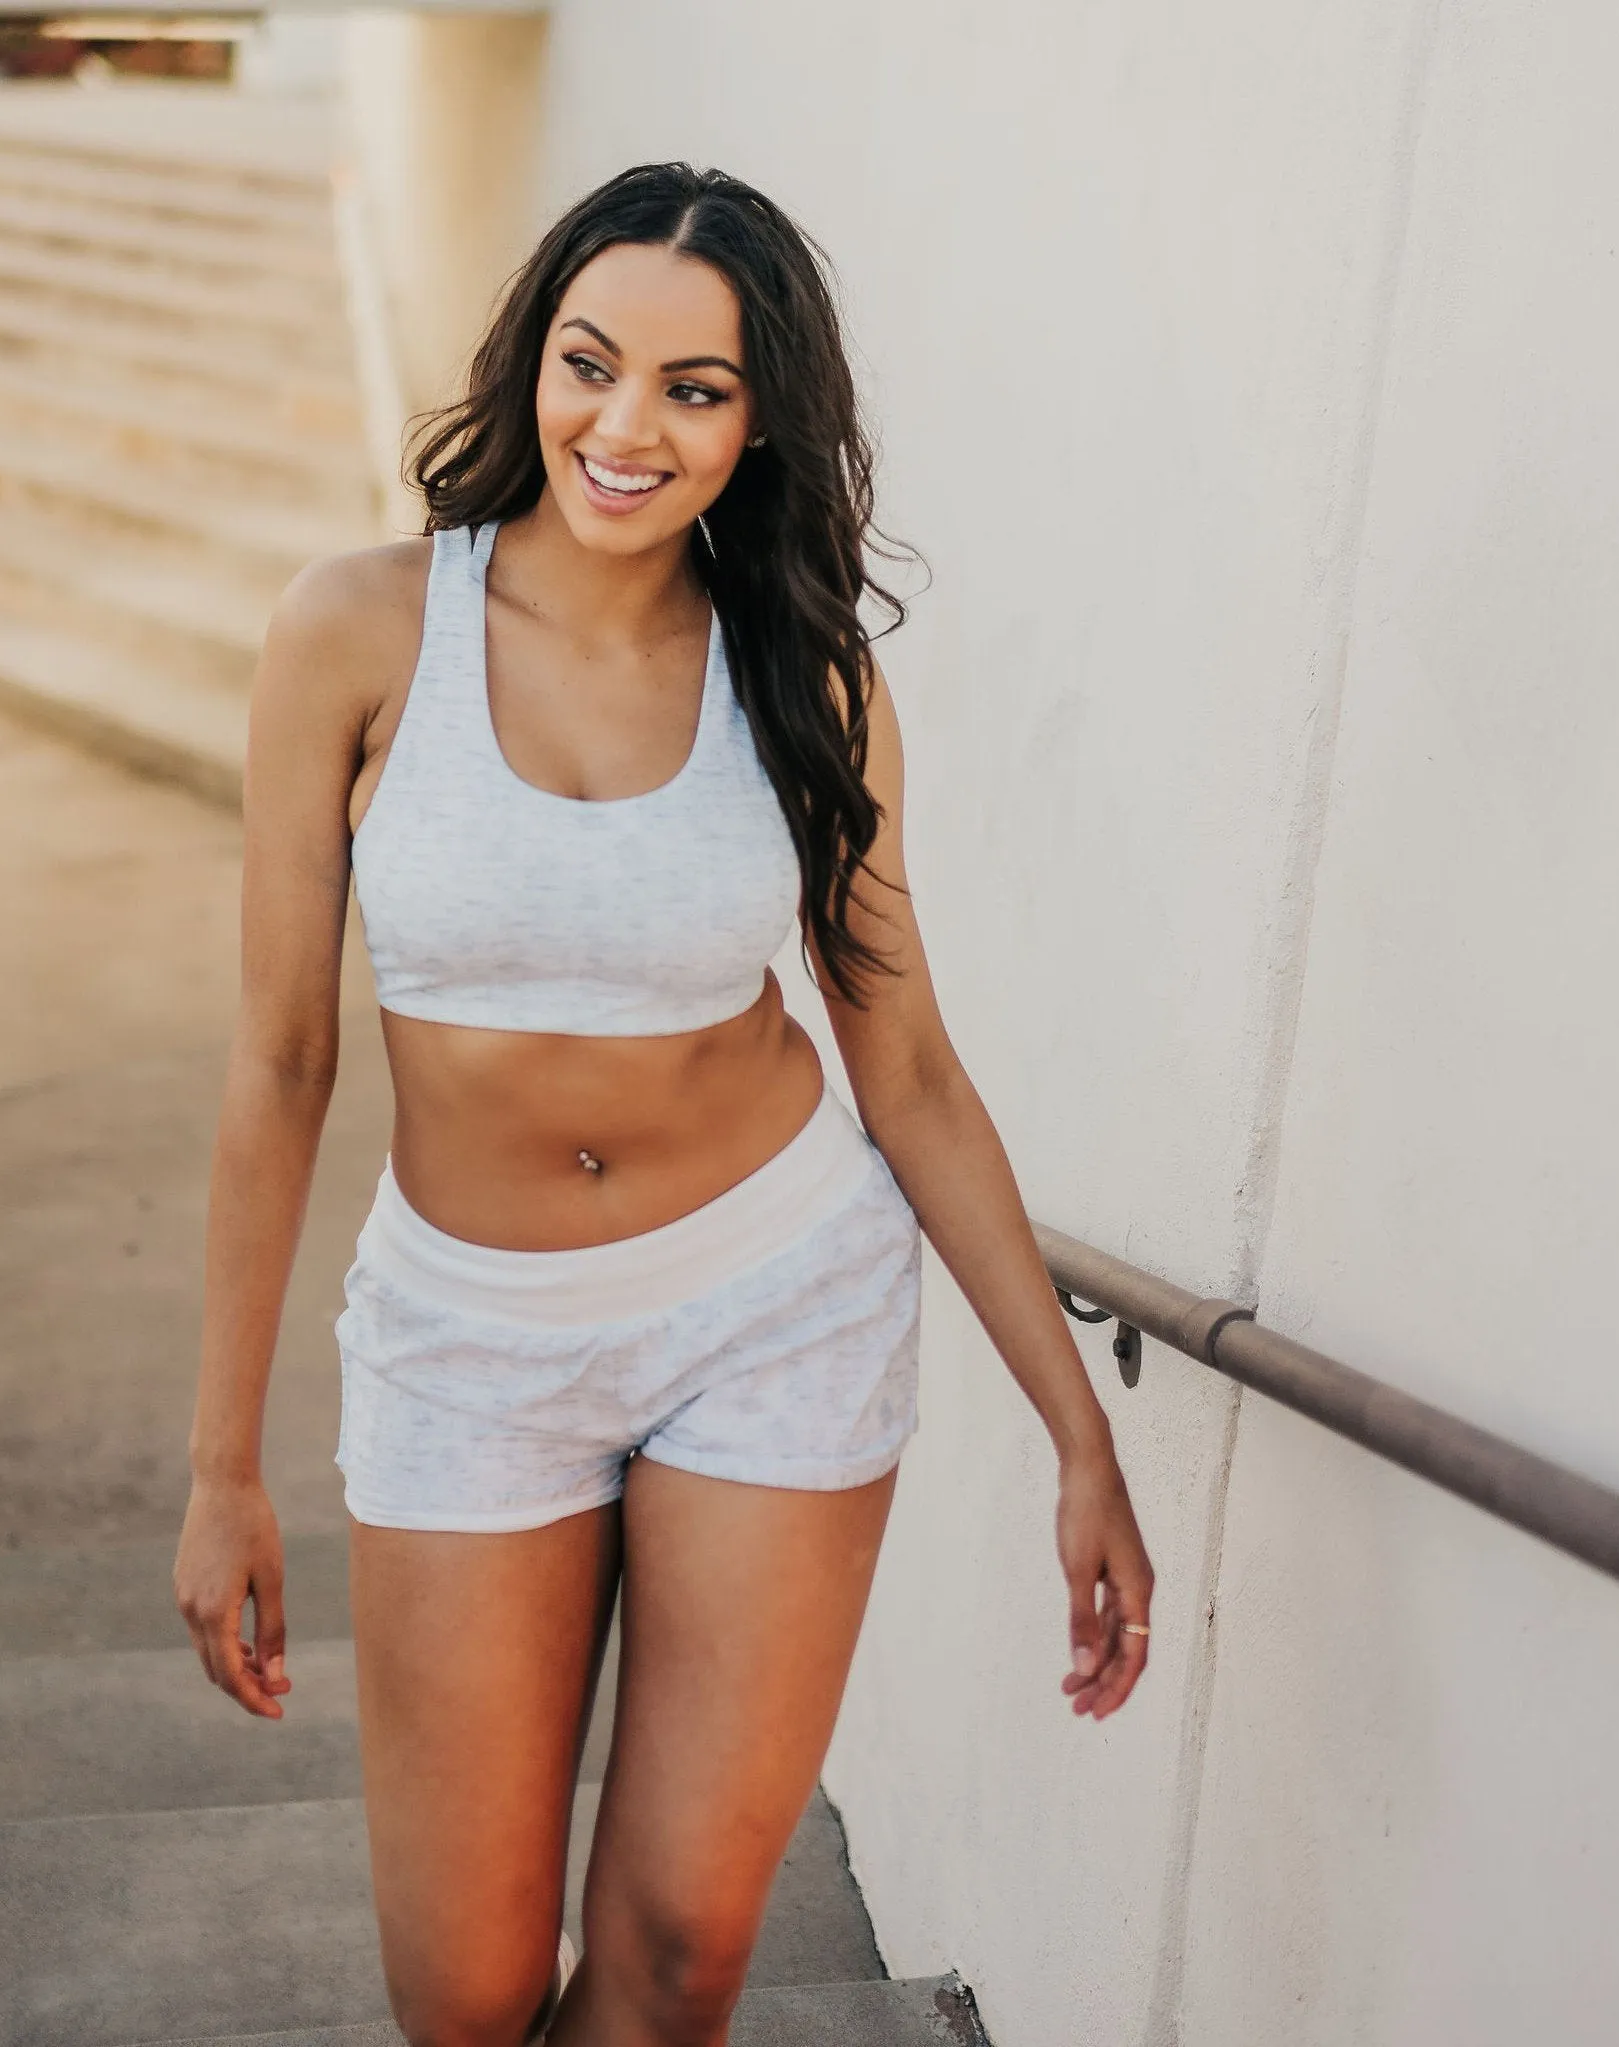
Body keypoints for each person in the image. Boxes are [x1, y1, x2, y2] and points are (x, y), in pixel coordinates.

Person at [174, 161, 1153, 2047]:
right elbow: (280, 1062)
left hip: (773, 1308)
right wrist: (224, 1463)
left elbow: (910, 1068)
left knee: (689, 1953)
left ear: (757, 418)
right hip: (471, 1344)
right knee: (463, 1993)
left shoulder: (806, 674)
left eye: (692, 390)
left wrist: (1074, 1433)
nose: (624, 429)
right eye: (589, 363)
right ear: (530, 359)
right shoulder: (359, 632)